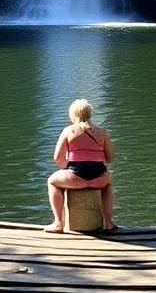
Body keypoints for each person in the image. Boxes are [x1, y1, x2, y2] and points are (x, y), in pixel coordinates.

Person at [43, 98, 116, 233]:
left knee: (52, 182)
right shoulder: (103, 132)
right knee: (108, 183)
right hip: (99, 178)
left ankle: (58, 223)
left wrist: (68, 167)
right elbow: (110, 158)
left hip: (75, 178)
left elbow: (57, 158)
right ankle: (108, 222)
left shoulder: (68, 131)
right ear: (90, 114)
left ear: (73, 115)